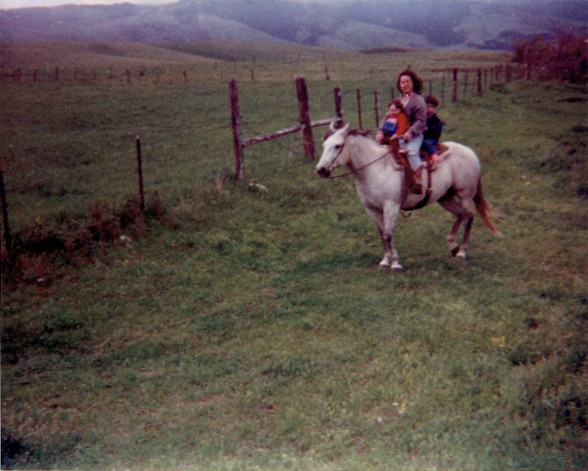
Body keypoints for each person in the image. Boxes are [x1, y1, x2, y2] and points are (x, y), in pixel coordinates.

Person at [396, 69, 427, 173]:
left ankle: (421, 181)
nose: (405, 84)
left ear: (413, 83)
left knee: (411, 153)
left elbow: (421, 121)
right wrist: (380, 131)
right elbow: (389, 116)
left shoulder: (418, 100)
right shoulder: (399, 101)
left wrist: (410, 132)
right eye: (402, 82)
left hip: (415, 135)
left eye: (407, 81)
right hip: (400, 135)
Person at [421, 95, 444, 162]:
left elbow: (437, 132)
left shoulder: (435, 119)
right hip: (422, 137)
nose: (429, 109)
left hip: (431, 138)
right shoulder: (422, 118)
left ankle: (434, 154)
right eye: (427, 106)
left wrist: (427, 129)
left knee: (428, 143)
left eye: (432, 107)